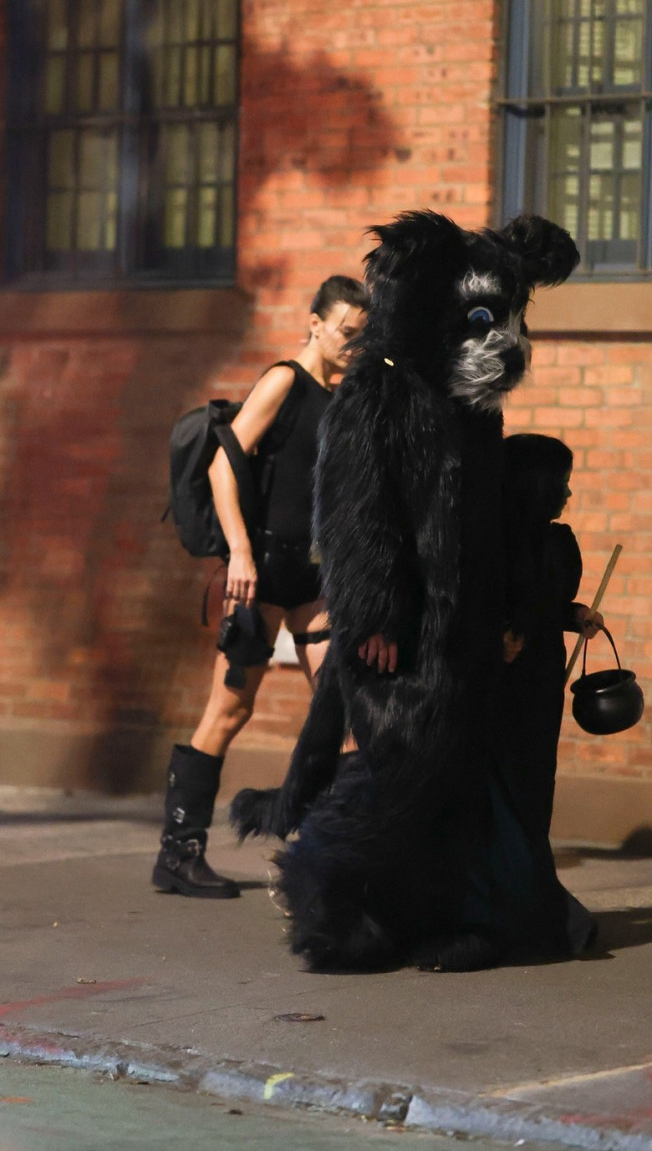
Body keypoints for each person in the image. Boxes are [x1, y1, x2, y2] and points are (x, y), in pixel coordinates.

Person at [152, 275, 369, 898]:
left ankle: (336, 852)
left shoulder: (342, 395)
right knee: (230, 708)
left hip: (316, 574)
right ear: (316, 323)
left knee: (345, 710)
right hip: (262, 571)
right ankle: (178, 852)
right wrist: (240, 553)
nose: (353, 344)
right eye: (346, 333)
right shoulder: (284, 381)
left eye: (362, 335)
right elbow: (225, 463)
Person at [499, 433, 604, 838]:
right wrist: (496, 634)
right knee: (499, 776)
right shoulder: (487, 541)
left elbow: (544, 604)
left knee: (536, 777)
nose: (568, 491)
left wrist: (575, 615)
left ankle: (530, 878)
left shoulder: (556, 542)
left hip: (541, 677)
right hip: (496, 681)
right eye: (561, 481)